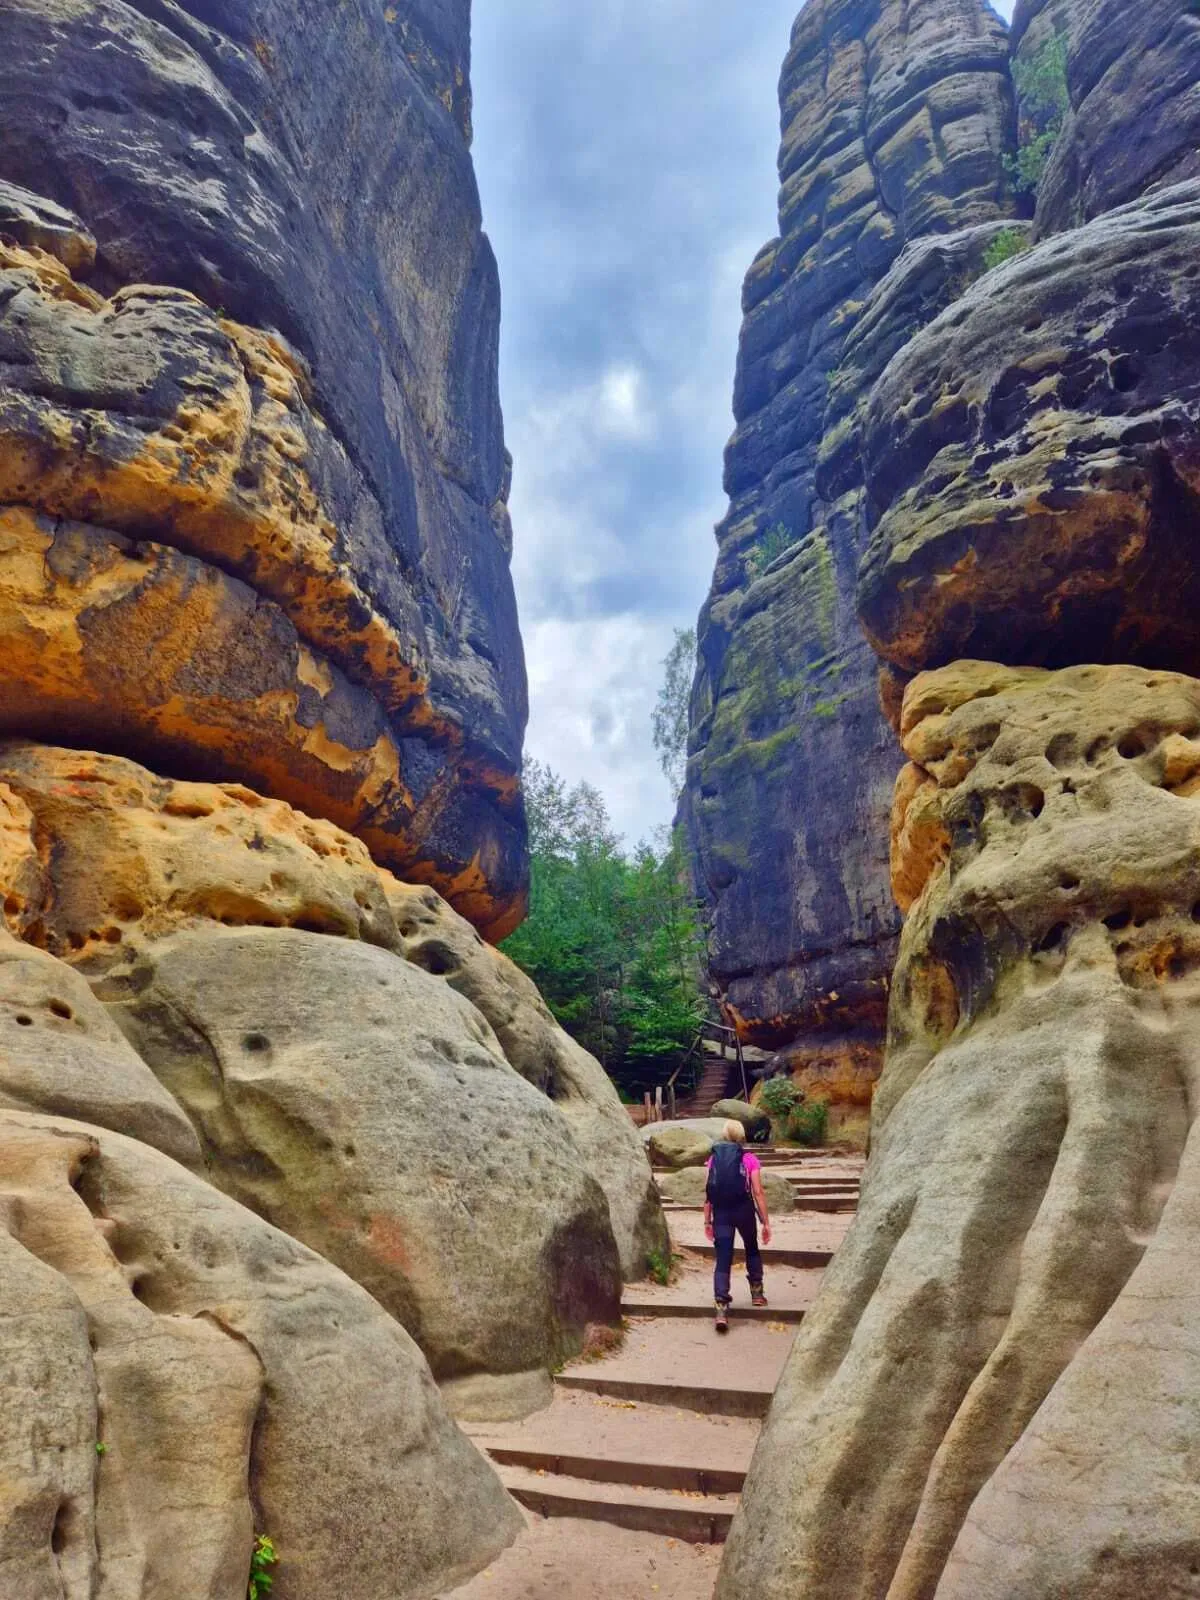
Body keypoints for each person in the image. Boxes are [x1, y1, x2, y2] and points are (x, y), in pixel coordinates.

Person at [704, 1119, 771, 1333]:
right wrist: (765, 1221)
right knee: (751, 1247)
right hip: (744, 1210)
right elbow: (758, 1192)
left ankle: (721, 1308)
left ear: (724, 1135)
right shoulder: (749, 1159)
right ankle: (757, 1293)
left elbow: (708, 1192)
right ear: (741, 1136)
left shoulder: (713, 1159)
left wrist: (707, 1220)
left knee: (723, 1258)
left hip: (721, 1212)